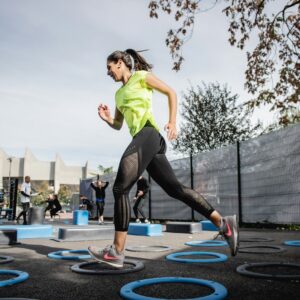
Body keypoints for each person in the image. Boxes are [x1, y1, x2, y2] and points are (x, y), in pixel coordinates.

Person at [88, 49, 239, 268]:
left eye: (109, 67)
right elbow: (119, 125)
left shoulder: (141, 77)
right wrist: (108, 118)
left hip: (149, 134)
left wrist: (172, 121)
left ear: (120, 63)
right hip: (145, 143)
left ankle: (117, 251)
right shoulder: (118, 95)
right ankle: (224, 223)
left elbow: (171, 92)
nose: (108, 72)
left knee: (120, 188)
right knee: (174, 189)